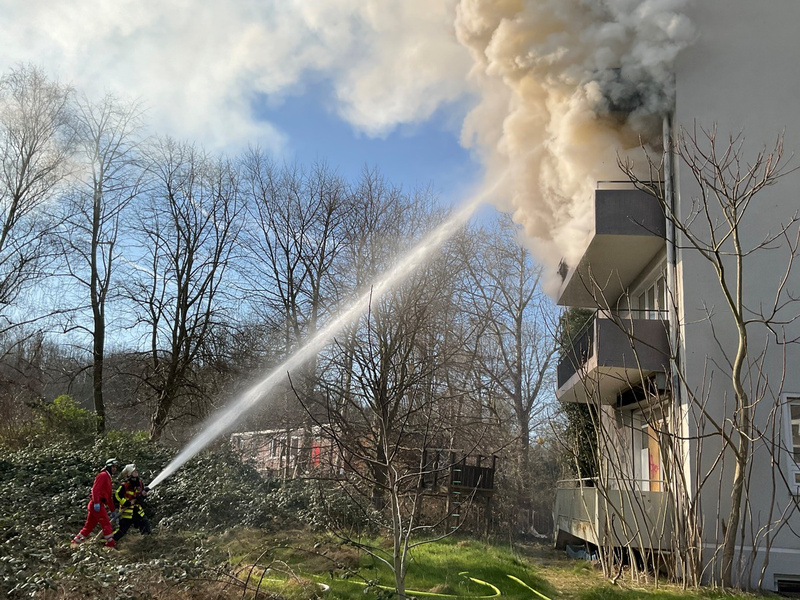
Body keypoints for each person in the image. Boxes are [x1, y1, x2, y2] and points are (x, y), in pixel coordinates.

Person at [71, 458, 119, 548]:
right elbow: (95, 489)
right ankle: (110, 544)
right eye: (113, 466)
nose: (114, 469)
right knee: (106, 523)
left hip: (97, 504)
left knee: (89, 526)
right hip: (96, 504)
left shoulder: (108, 477)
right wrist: (96, 502)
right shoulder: (103, 475)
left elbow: (108, 497)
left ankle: (75, 542)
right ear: (108, 467)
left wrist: (113, 510)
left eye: (115, 467)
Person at [112, 464, 151, 542]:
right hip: (127, 513)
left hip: (137, 510)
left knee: (145, 524)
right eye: (134, 471)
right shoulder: (124, 485)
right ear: (129, 474)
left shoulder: (139, 483)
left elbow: (139, 497)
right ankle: (109, 541)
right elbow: (116, 496)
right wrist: (127, 503)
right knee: (122, 531)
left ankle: (146, 542)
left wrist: (143, 495)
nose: (136, 472)